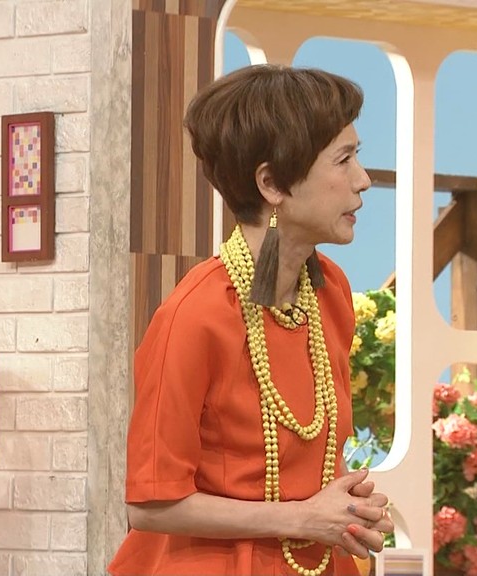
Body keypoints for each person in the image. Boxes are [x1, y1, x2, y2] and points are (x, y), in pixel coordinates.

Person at [108, 65, 395, 576]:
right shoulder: (195, 314)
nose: (363, 180)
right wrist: (303, 518)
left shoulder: (330, 292)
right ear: (272, 183)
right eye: (344, 159)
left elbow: (315, 460)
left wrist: (346, 511)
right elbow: (149, 507)